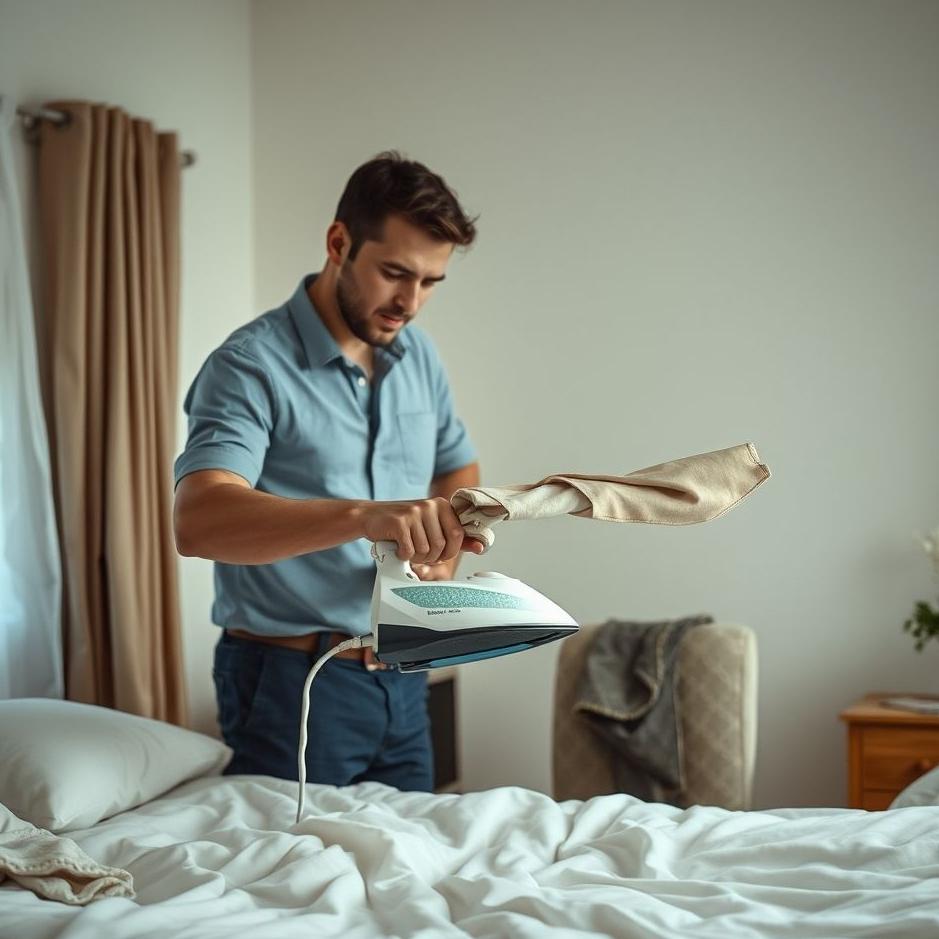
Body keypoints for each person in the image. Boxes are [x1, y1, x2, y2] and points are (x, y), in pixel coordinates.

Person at [173, 151, 482, 791]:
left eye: (430, 282)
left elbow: (458, 466)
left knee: (411, 872)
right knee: (294, 886)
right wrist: (365, 517)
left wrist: (444, 558)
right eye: (395, 273)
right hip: (291, 682)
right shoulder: (248, 366)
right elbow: (198, 520)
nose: (411, 302)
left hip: (406, 670)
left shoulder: (417, 354)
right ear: (338, 242)